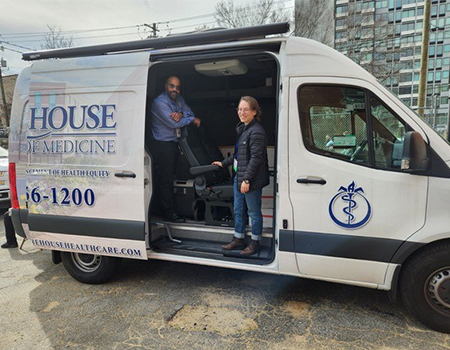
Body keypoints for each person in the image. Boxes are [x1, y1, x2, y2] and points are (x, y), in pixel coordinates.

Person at [213, 96, 269, 256]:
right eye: (239, 109)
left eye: (245, 109)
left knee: (253, 212)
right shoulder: (243, 130)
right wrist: (223, 163)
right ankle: (238, 239)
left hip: (250, 180)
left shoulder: (257, 131)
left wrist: (247, 180)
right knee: (238, 211)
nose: (241, 112)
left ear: (254, 111)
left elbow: (256, 159)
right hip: (239, 178)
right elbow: (239, 156)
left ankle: (255, 242)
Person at [151, 76, 201, 223]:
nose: (175, 90)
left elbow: (189, 112)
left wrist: (181, 114)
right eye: (172, 86)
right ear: (166, 85)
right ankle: (168, 214)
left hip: (174, 145)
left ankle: (170, 209)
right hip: (163, 146)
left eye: (178, 87)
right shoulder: (159, 103)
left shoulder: (178, 99)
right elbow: (175, 124)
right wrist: (191, 120)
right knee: (166, 181)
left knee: (171, 179)